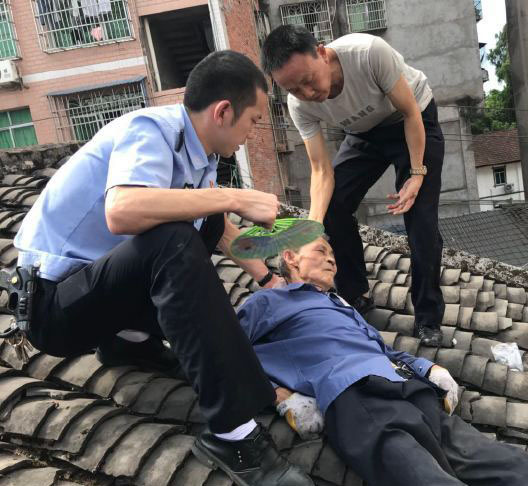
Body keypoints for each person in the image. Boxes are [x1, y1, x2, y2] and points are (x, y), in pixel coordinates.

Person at [14, 50, 313, 486]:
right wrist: (234, 196)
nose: (251, 135)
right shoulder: (151, 130)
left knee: (202, 223)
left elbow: (221, 230)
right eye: (252, 121)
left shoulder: (202, 156)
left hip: (101, 296)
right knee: (174, 239)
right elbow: (122, 211)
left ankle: (128, 343)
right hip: (55, 308)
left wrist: (269, 279)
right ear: (223, 112)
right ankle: (233, 434)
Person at [237, 237, 528, 486]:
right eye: (321, 251)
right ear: (291, 258)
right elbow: (226, 356)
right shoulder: (270, 302)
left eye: (333, 255)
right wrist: (279, 395)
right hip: (357, 397)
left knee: (509, 465)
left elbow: (383, 351)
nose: (331, 260)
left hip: (409, 391)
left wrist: (428, 368)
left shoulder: (342, 308)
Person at [261, 25, 446, 347]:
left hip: (412, 119)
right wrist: (312, 229)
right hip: (363, 134)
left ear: (321, 52)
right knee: (332, 207)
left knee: (421, 221)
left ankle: (428, 317)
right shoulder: (299, 106)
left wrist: (417, 175)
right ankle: (355, 294)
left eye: (308, 80)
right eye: (294, 89)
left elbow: (410, 113)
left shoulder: (368, 53)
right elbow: (321, 170)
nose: (307, 93)